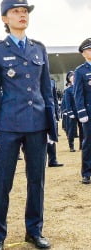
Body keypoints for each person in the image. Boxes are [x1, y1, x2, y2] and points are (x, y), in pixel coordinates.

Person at [0, 1, 55, 249]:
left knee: (37, 181)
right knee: (3, 182)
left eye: (25, 11)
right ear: (5, 19)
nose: (22, 14)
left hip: (37, 124)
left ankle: (34, 231)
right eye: (16, 11)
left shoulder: (39, 49)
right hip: (8, 125)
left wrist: (51, 127)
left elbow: (46, 89)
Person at [73, 38, 91, 184]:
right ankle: (86, 173)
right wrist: (81, 112)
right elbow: (78, 94)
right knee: (88, 143)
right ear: (83, 53)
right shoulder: (80, 71)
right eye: (89, 49)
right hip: (89, 113)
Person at [65, 71, 83, 152]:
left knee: (82, 129)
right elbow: (67, 103)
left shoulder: (80, 87)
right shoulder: (68, 90)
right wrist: (70, 112)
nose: (73, 77)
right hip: (73, 112)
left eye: (74, 75)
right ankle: (71, 146)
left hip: (80, 111)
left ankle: (82, 145)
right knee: (71, 130)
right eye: (71, 76)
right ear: (68, 79)